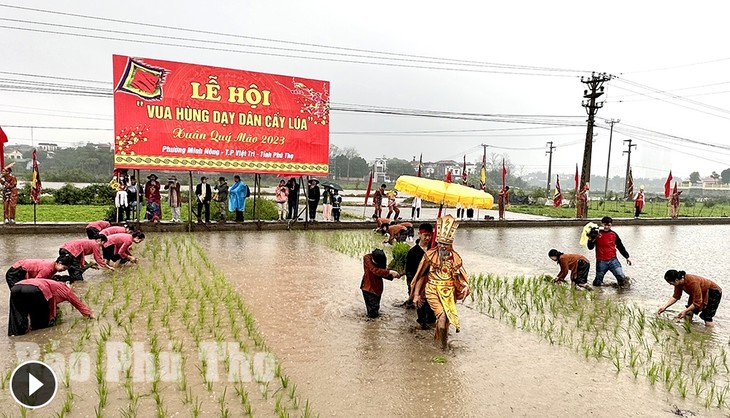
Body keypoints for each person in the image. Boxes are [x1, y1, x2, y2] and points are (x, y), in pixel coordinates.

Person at [411, 215, 470, 349]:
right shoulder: (430, 255)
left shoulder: (455, 258)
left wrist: (466, 285)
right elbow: (421, 275)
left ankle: (438, 341)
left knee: (446, 319)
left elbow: (462, 275)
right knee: (442, 315)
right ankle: (443, 348)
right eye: (440, 243)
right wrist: (416, 294)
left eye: (446, 244)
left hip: (449, 292)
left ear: (450, 245)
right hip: (433, 290)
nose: (443, 247)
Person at [8, 278, 93, 336]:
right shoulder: (64, 288)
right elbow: (77, 302)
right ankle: (36, 335)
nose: (72, 288)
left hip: (16, 287)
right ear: (67, 283)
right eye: (72, 285)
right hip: (35, 289)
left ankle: (16, 335)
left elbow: (51, 299)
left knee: (17, 313)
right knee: (40, 321)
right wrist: (89, 314)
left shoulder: (50, 282)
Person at [658, 270, 722, 327]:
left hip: (713, 292)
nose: (670, 285)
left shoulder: (692, 282)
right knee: (689, 312)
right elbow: (676, 296)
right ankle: (689, 329)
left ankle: (710, 334)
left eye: (671, 283)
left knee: (707, 317)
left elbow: (697, 302)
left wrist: (685, 311)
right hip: (698, 292)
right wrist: (664, 307)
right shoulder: (678, 284)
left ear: (676, 280)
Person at [405, 223, 437, 329]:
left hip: (432, 285)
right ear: (419, 234)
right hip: (419, 285)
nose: (427, 238)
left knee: (432, 315)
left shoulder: (434, 249)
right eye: (425, 235)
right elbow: (409, 273)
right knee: (422, 313)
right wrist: (413, 291)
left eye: (430, 235)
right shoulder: (413, 252)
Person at [586, 216, 632, 287]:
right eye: (605, 225)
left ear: (611, 225)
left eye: (609, 225)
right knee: (597, 283)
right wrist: (590, 239)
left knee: (621, 277)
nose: (607, 227)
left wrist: (627, 257)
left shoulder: (614, 234)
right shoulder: (597, 234)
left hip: (613, 260)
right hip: (601, 261)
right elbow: (590, 247)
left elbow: (620, 246)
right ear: (602, 224)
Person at [360, 248, 400, 318]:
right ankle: (371, 327)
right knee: (373, 314)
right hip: (368, 289)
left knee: (375, 311)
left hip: (377, 290)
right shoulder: (367, 258)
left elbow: (381, 272)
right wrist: (389, 272)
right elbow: (375, 270)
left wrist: (394, 275)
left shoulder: (379, 260)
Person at [6, 256, 74, 289]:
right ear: (59, 263)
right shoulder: (48, 269)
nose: (64, 270)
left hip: (21, 269)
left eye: (66, 269)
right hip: (16, 272)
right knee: (19, 294)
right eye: (64, 268)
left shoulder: (53, 267)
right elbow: (37, 283)